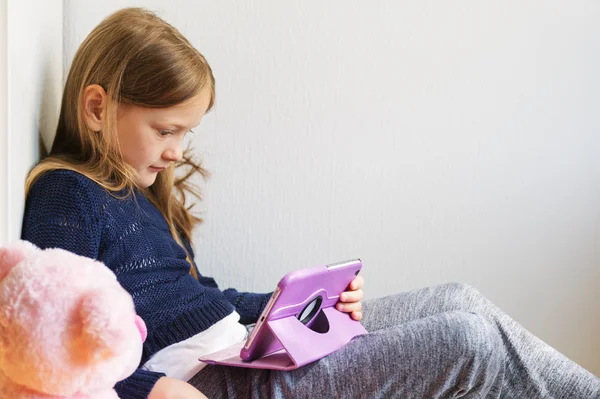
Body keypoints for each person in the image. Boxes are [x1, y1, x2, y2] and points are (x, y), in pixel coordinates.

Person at [20, 7, 599, 399]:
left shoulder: (142, 194)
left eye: (185, 135)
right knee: (468, 343)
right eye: (166, 130)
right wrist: (141, 390)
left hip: (240, 346)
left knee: (458, 298)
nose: (175, 153)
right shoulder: (66, 192)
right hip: (214, 380)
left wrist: (291, 301)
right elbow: (54, 346)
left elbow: (203, 299)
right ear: (97, 109)